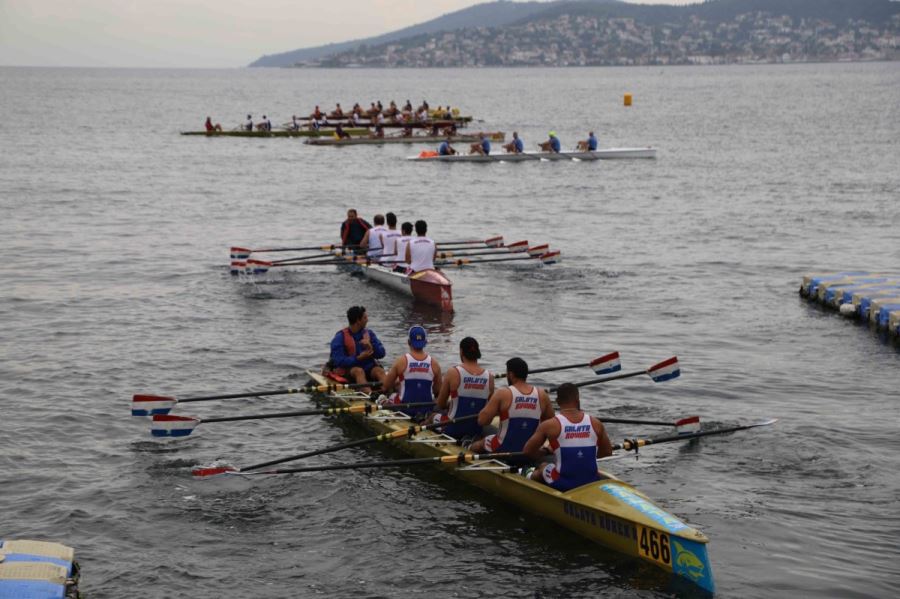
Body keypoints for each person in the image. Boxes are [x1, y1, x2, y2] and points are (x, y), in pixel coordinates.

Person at [523, 383, 613, 491]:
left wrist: (546, 451)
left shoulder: (549, 425)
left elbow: (528, 451)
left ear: (557, 402)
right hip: (591, 481)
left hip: (562, 483)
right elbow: (607, 452)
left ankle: (528, 475)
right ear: (578, 399)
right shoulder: (596, 423)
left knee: (543, 466)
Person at [468, 357, 554, 455]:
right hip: (530, 450)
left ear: (511, 375)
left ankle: (466, 447)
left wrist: (497, 410)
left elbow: (482, 421)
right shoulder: (542, 395)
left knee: (482, 442)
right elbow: (552, 425)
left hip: (503, 448)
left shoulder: (502, 393)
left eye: (507, 373)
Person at [433, 337, 494, 441]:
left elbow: (440, 404)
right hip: (475, 430)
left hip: (451, 428)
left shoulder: (453, 372)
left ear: (461, 352)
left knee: (433, 415)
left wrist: (449, 404)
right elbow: (488, 411)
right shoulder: (490, 377)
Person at [380, 326, 442, 420]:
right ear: (425, 342)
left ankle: (382, 402)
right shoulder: (435, 364)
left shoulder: (401, 361)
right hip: (426, 409)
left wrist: (397, 382)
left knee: (390, 396)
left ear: (409, 342)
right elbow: (437, 391)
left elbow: (386, 385)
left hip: (404, 409)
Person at [326, 306, 387, 392]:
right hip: (350, 371)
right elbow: (338, 361)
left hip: (368, 369)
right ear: (358, 321)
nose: (367, 320)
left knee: (379, 371)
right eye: (365, 318)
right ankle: (370, 396)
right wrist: (358, 358)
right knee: (359, 371)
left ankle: (388, 392)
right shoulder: (340, 338)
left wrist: (371, 346)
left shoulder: (369, 334)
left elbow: (382, 354)